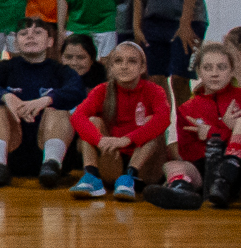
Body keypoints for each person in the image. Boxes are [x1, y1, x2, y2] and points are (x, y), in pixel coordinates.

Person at [0, 18, 81, 190]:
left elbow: (76, 90)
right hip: (13, 150)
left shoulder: (61, 71)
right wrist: (7, 97)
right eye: (24, 33)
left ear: (50, 41)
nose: (30, 36)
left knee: (58, 108)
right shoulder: (4, 68)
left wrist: (46, 100)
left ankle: (51, 163)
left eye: (37, 32)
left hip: (51, 151)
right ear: (16, 42)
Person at [68, 35, 172, 202]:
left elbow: (163, 119)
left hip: (144, 167)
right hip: (112, 158)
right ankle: (91, 176)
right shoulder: (101, 90)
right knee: (93, 122)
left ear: (142, 67)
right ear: (111, 67)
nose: (124, 66)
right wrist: (99, 140)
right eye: (118, 61)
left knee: (152, 123)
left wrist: (126, 140)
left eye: (132, 61)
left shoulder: (154, 90)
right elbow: (77, 117)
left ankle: (130, 176)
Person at [164, 41, 241, 211]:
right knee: (171, 166)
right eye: (208, 68)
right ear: (199, 71)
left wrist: (214, 132)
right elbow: (187, 152)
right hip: (206, 171)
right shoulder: (187, 108)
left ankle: (224, 181)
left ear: (232, 70)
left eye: (221, 67)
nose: (215, 73)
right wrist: (221, 133)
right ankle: (181, 191)